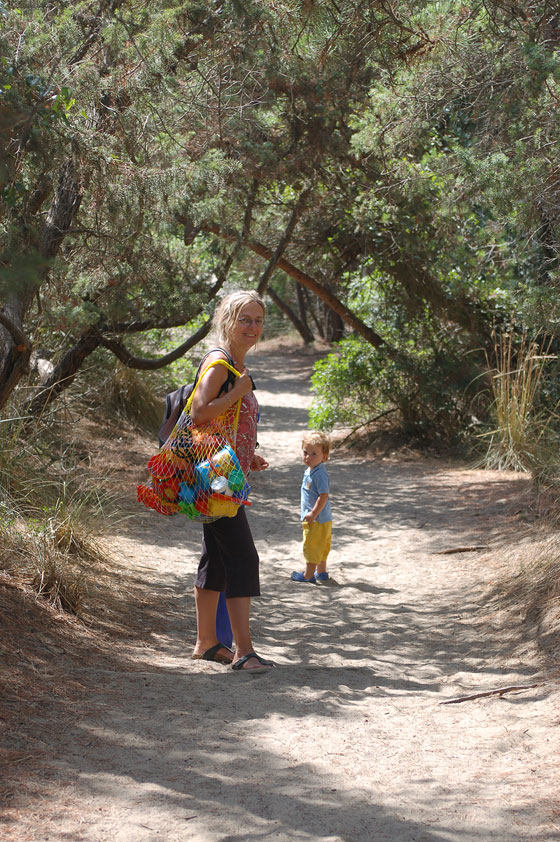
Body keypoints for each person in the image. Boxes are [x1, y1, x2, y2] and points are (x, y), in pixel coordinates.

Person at [189, 290, 273, 673]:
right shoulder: (221, 364)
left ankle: (207, 642)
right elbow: (200, 413)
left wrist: (247, 453)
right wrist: (240, 390)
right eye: (245, 319)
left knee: (218, 557)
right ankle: (243, 650)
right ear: (228, 320)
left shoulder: (234, 362)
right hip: (217, 477)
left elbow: (229, 420)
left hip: (226, 472)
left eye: (257, 320)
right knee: (242, 556)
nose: (252, 327)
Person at [291, 431, 332, 584]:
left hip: (317, 519)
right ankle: (321, 573)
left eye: (314, 454)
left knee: (312, 546)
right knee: (320, 545)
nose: (308, 457)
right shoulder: (311, 470)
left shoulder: (320, 474)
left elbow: (323, 495)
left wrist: (313, 513)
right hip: (322, 518)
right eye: (305, 452)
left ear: (324, 456)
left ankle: (308, 575)